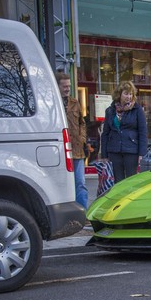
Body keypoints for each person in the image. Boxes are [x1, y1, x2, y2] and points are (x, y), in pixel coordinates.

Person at [100, 81, 147, 183]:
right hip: (114, 150)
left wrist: (141, 153)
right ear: (119, 94)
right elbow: (105, 133)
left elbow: (142, 132)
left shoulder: (137, 110)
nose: (129, 97)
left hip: (131, 150)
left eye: (131, 94)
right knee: (118, 181)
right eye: (126, 93)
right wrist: (104, 155)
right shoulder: (110, 110)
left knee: (131, 181)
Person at [56, 72, 89, 210]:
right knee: (60, 183)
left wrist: (82, 137)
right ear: (57, 86)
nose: (67, 89)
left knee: (80, 182)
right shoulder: (52, 103)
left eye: (69, 86)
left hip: (77, 149)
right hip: (59, 149)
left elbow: (82, 123)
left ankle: (83, 212)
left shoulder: (75, 102)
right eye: (64, 86)